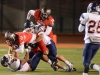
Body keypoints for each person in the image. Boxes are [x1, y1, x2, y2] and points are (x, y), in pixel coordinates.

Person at [78, 1, 100, 75]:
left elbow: (80, 29)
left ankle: (86, 73)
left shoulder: (86, 15)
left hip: (90, 41)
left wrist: (83, 23)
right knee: (87, 61)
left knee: (85, 63)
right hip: (98, 43)